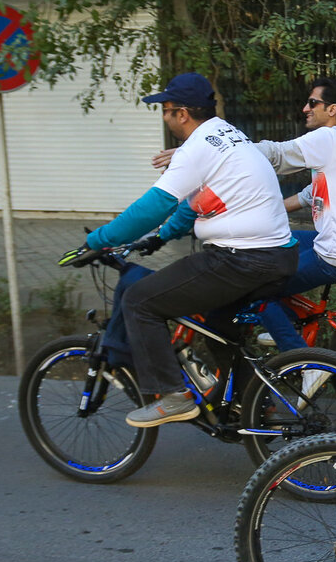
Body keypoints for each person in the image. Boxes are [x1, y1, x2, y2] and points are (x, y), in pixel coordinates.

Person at [81, 73, 297, 427]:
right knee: (220, 328)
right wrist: (162, 237)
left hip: (240, 260)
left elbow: (155, 205)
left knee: (139, 300)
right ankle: (258, 407)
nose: (165, 119)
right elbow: (199, 202)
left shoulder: (198, 148)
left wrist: (97, 241)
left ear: (181, 113)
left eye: (165, 112)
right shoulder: (228, 135)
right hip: (275, 257)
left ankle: (172, 395)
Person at [252, 78, 336, 349]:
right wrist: (269, 209)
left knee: (256, 287)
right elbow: (311, 194)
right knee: (275, 241)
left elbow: (277, 154)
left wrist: (221, 153)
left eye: (312, 103)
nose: (305, 108)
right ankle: (290, 323)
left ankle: (304, 361)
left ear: (332, 109)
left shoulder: (328, 137)